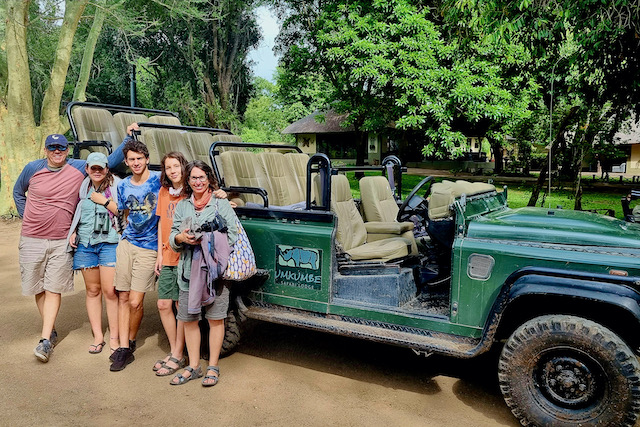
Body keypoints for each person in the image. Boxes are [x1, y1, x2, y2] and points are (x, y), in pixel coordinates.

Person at [13, 131, 127, 363]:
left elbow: (110, 161)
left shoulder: (78, 167)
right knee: (39, 286)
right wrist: (27, 216)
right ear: (45, 150)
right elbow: (18, 192)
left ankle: (45, 339)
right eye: (53, 148)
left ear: (67, 150)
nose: (57, 152)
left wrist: (128, 137)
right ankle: (51, 329)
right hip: (32, 237)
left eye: (62, 148)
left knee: (54, 287)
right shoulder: (32, 168)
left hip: (60, 239)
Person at [169, 160, 238, 386]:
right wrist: (181, 238)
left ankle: (213, 366)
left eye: (201, 177)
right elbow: (172, 237)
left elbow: (233, 236)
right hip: (189, 270)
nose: (198, 181)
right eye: (193, 178)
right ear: (187, 181)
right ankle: (194, 366)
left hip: (215, 272)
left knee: (216, 319)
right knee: (189, 320)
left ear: (209, 179)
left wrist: (208, 242)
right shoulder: (182, 206)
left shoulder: (221, 204)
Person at [99, 138, 161, 372]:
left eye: (139, 159)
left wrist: (220, 194)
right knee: (122, 296)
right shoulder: (123, 185)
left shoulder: (158, 180)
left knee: (136, 301)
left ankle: (130, 340)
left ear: (146, 159)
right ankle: (125, 346)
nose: (135, 163)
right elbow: (122, 211)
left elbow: (184, 186)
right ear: (126, 162)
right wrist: (105, 201)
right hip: (127, 243)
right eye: (131, 160)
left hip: (149, 246)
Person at [67, 152, 121, 355]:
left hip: (110, 243)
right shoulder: (83, 187)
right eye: (93, 168)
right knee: (92, 290)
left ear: (107, 169)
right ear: (87, 169)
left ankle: (115, 336)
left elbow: (124, 211)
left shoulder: (116, 186)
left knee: (110, 291)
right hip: (86, 244)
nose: (97, 171)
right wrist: (72, 232)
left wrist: (103, 201)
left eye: (101, 168)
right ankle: (98, 335)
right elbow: (76, 212)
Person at [152, 152, 189, 376]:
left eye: (176, 166)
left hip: (185, 256)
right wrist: (159, 254)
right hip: (167, 255)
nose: (173, 170)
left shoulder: (191, 192)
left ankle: (177, 353)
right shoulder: (164, 192)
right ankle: (177, 350)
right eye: (168, 167)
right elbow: (161, 224)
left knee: (179, 306)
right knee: (164, 304)